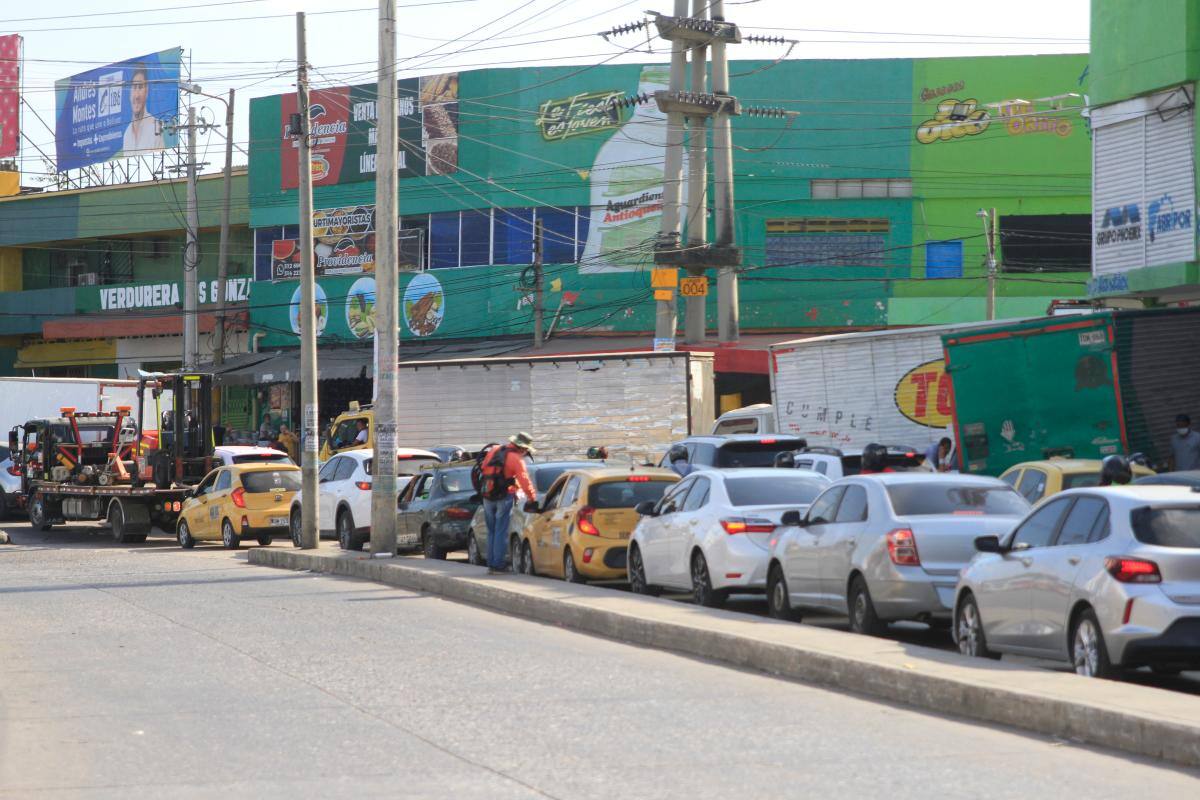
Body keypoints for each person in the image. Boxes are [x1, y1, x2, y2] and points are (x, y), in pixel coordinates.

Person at [479, 432, 537, 574]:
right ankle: (498, 565)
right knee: (501, 531)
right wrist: (532, 498)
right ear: (522, 448)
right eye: (526, 450)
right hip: (504, 497)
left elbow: (483, 468)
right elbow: (524, 480)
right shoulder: (516, 459)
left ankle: (491, 564)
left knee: (492, 531)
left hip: (487, 495)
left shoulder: (494, 450)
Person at [121, 63, 164, 155]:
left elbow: (161, 159)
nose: (136, 96)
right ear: (129, 93)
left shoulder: (155, 128)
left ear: (146, 91)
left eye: (140, 87)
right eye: (134, 87)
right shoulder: (127, 135)